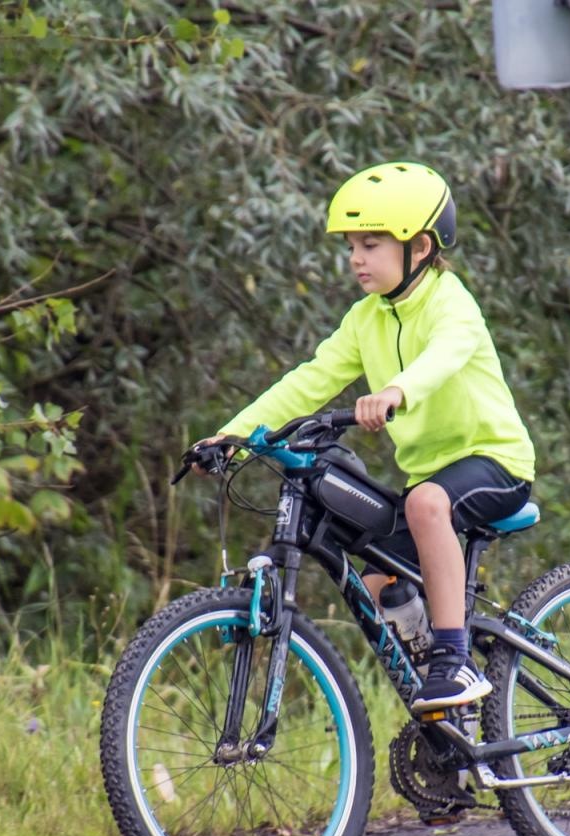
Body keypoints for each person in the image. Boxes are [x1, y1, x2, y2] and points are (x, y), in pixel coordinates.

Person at [197, 161, 536, 713]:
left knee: (426, 504)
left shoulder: (451, 302)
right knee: (377, 575)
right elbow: (309, 379)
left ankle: (454, 662)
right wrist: (231, 436)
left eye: (371, 244)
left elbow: (444, 354)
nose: (356, 257)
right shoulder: (366, 319)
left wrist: (398, 390)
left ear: (419, 247)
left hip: (496, 462)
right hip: (432, 477)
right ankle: (449, 712)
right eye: (352, 245)